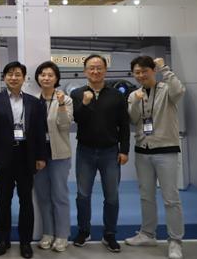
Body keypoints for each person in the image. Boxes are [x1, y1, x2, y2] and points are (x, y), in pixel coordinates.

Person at [125, 56, 185, 259]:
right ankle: (147, 234)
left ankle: (175, 241)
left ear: (153, 70)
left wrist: (165, 68)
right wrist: (136, 102)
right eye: (137, 72)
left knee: (171, 198)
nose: (141, 75)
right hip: (143, 151)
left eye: (145, 71)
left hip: (165, 149)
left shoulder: (167, 89)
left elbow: (179, 91)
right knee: (146, 196)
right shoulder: (134, 95)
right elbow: (133, 118)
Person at [0, 61, 47, 258]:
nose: (13, 78)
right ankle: (3, 240)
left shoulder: (34, 102)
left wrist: (41, 156)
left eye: (17, 74)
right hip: (4, 156)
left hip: (26, 156)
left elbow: (40, 132)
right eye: (10, 74)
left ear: (24, 78)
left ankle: (25, 242)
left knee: (26, 201)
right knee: (4, 200)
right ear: (4, 78)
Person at [71, 54, 130, 252]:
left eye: (99, 68)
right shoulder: (77, 94)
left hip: (110, 152)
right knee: (82, 195)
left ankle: (110, 234)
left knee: (112, 196)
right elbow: (77, 119)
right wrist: (85, 103)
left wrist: (124, 150)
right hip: (85, 152)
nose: (95, 71)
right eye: (91, 68)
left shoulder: (117, 95)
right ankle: (83, 231)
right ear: (85, 71)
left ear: (105, 70)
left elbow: (124, 125)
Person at [33, 61, 73, 253]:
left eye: (50, 75)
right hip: (38, 155)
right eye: (43, 74)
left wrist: (62, 104)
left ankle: (62, 235)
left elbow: (65, 125)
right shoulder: (33, 100)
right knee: (42, 196)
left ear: (56, 78)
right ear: (38, 78)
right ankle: (48, 233)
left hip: (59, 154)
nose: (46, 78)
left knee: (59, 195)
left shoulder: (65, 99)